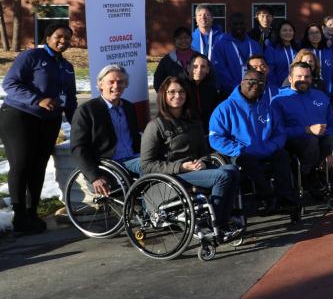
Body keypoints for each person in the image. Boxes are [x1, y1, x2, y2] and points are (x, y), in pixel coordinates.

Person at [141, 76, 241, 239]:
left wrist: (203, 161)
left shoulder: (193, 121)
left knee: (233, 169)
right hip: (173, 176)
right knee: (221, 176)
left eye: (181, 92)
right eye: (172, 92)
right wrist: (181, 167)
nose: (177, 95)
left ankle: (225, 217)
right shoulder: (155, 126)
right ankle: (216, 223)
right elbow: (147, 165)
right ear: (163, 95)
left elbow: (204, 152)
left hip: (195, 171)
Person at [0, 20, 76, 234]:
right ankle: (19, 216)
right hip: (19, 116)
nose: (63, 41)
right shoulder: (32, 56)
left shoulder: (67, 67)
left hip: (49, 121)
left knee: (39, 166)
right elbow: (10, 84)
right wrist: (38, 99)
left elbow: (70, 100)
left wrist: (78, 124)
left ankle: (31, 213)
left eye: (67, 38)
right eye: (59, 36)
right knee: (22, 164)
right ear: (47, 38)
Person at [209, 67, 301, 222]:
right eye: (251, 81)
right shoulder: (225, 108)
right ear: (242, 82)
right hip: (241, 153)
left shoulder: (267, 107)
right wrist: (239, 149)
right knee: (247, 160)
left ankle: (287, 199)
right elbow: (215, 138)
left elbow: (280, 133)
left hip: (266, 150)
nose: (256, 85)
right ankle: (267, 198)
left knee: (282, 155)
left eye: (260, 82)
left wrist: (272, 146)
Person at [70, 65, 143, 201]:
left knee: (162, 162)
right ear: (100, 85)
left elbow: (135, 138)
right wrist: (94, 176)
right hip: (111, 163)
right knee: (150, 167)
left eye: (120, 82)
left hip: (134, 158)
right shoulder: (87, 111)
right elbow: (78, 147)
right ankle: (152, 215)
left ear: (126, 84)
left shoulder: (128, 107)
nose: (116, 86)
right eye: (111, 82)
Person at [272, 61, 333, 193]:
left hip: (320, 140)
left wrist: (332, 151)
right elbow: (278, 131)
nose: (303, 80)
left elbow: (332, 123)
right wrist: (307, 129)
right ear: (290, 78)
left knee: (329, 139)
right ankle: (306, 174)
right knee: (311, 141)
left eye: (307, 77)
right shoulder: (278, 100)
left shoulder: (321, 96)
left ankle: (312, 171)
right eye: (299, 76)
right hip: (294, 141)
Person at [215, 12, 264, 96]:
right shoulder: (220, 44)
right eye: (235, 24)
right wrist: (238, 88)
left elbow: (262, 68)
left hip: (254, 91)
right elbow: (220, 70)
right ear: (229, 26)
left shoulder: (254, 45)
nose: (239, 27)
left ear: (246, 25)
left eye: (241, 24)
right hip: (230, 93)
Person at [154, 26, 197, 90]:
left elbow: (209, 80)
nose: (183, 41)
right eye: (179, 38)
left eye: (186, 37)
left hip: (196, 98)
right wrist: (167, 96)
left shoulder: (200, 58)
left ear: (191, 39)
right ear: (174, 40)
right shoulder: (167, 60)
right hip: (175, 98)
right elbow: (158, 82)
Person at [303, 23, 333, 97]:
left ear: (321, 34)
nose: (315, 35)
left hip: (329, 91)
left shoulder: (328, 50)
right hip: (310, 91)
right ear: (307, 36)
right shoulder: (304, 52)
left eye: (317, 32)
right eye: (311, 33)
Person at [185, 54, 221, 128]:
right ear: (188, 68)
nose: (199, 70)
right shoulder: (182, 87)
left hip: (207, 128)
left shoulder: (212, 89)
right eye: (195, 66)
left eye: (203, 67)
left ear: (208, 70)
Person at [265, 20, 300, 86]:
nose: (288, 33)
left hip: (297, 87)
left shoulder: (297, 48)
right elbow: (269, 73)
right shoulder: (271, 49)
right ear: (279, 32)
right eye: (284, 30)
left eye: (290, 30)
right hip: (279, 88)